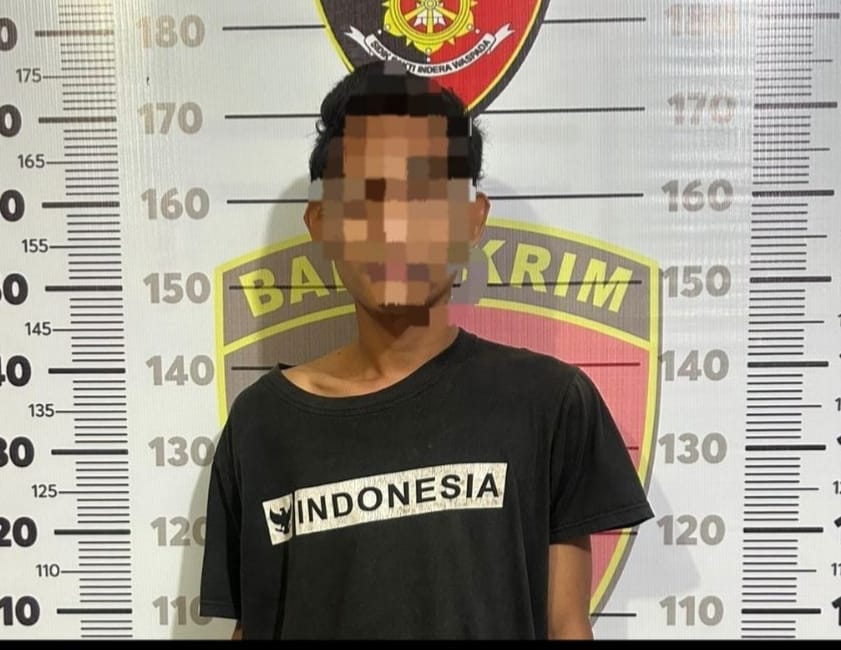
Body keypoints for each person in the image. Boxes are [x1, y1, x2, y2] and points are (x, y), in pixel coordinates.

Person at [198, 60, 654, 640]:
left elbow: (567, 626)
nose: (394, 228)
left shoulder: (549, 404)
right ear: (322, 222)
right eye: (365, 197)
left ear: (472, 219)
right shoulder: (261, 425)